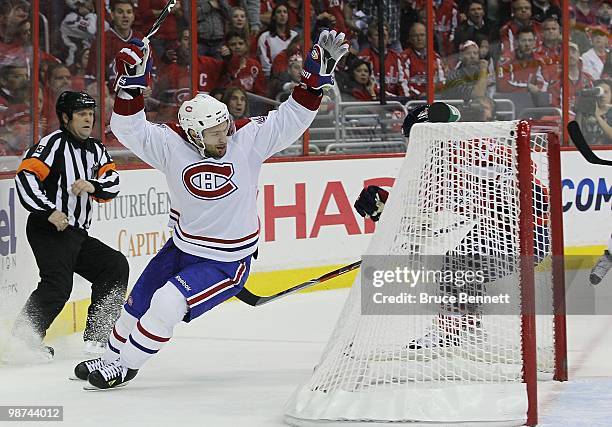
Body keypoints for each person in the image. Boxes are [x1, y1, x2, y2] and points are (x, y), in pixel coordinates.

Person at [74, 30, 349, 390]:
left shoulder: (246, 141)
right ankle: (110, 357)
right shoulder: (172, 145)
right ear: (192, 134)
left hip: (227, 262)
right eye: (215, 135)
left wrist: (313, 83)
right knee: (137, 302)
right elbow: (127, 127)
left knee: (167, 303)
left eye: (225, 129)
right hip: (182, 248)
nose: (225, 138)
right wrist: (131, 85)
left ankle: (125, 366)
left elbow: (290, 118)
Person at [354, 102, 549, 350]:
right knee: (462, 265)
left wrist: (383, 207)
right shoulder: (450, 156)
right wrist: (383, 201)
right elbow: (420, 206)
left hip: (527, 231)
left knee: (455, 265)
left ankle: (450, 332)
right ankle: (469, 329)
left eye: (412, 139)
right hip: (506, 226)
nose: (410, 148)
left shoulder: (457, 154)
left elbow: (525, 172)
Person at [5, 91, 128, 363]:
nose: (88, 119)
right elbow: (25, 178)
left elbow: (113, 184)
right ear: (65, 117)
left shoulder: (96, 149)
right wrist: (49, 210)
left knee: (114, 266)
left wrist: (93, 185)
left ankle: (98, 337)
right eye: (81, 113)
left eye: (90, 113)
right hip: (48, 228)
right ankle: (22, 342)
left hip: (76, 233)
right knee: (58, 285)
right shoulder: (51, 145)